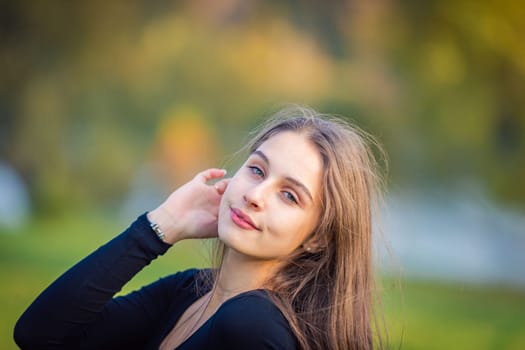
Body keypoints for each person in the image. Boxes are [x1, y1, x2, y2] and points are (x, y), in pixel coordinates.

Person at [14, 106, 386, 350]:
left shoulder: (254, 326)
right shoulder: (188, 292)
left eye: (289, 196)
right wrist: (160, 227)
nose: (256, 195)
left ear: (319, 236)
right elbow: (40, 335)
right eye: (256, 170)